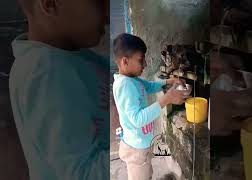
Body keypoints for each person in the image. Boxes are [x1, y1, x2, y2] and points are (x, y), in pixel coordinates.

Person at [9, 0, 109, 179]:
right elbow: (84, 174)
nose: (108, 13)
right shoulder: (43, 72)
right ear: (50, 4)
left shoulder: (72, 56)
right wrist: (131, 149)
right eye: (99, 2)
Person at [112, 33, 188, 180]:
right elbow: (137, 120)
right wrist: (166, 100)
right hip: (136, 151)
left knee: (147, 174)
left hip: (141, 145)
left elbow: (150, 86)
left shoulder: (133, 80)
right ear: (125, 62)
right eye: (141, 60)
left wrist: (168, 81)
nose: (145, 64)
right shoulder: (125, 85)